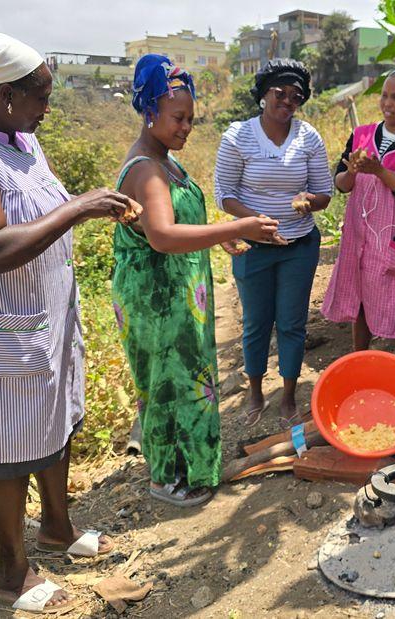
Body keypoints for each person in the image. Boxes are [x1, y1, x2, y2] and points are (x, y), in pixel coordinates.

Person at [0, 32, 122, 613]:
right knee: (5, 447)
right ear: (3, 93)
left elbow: (37, 211)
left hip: (41, 320)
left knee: (53, 422)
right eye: (39, 95)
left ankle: (57, 529)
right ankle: (11, 573)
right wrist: (79, 207)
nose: (47, 106)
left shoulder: (18, 137)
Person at [112, 55, 280, 506]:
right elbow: (163, 236)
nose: (187, 127)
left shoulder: (165, 159)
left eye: (191, 118)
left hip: (177, 293)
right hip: (156, 298)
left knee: (186, 379)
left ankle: (191, 467)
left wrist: (215, 239)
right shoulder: (146, 169)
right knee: (168, 381)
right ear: (150, 113)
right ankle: (166, 477)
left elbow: (178, 220)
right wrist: (236, 228)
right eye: (178, 118)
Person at [213, 58, 333, 427]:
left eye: (296, 96)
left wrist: (308, 202)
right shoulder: (238, 136)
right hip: (253, 248)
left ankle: (288, 397)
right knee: (256, 323)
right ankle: (255, 392)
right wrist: (255, 223)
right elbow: (224, 194)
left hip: (299, 245)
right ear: (263, 94)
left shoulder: (308, 137)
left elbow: (325, 193)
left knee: (293, 323)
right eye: (279, 93)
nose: (287, 101)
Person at [322, 69, 395, 364]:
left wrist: (380, 172)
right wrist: (351, 172)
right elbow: (341, 184)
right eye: (385, 95)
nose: (388, 103)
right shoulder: (361, 136)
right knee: (360, 299)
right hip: (362, 237)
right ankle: (359, 361)